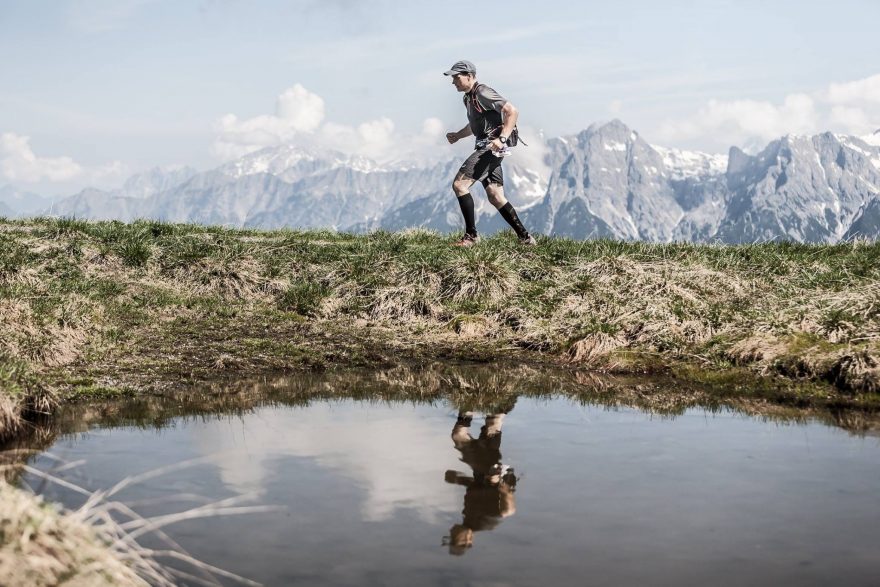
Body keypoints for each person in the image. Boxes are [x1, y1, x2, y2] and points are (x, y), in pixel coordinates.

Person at [444, 60, 537, 247]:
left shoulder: (482, 92)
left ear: (469, 76)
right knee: (495, 195)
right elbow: (475, 124)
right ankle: (526, 239)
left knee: (460, 185)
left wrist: (502, 139)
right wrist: (458, 136)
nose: (453, 81)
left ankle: (471, 237)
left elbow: (512, 111)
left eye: (457, 77)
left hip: (491, 147)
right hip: (486, 147)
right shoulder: (468, 98)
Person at [443, 408, 518, 555]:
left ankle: (472, 408)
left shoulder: (469, 517)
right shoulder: (485, 523)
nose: (450, 532)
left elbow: (475, 487)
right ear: (467, 539)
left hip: (481, 472)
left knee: (460, 435)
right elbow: (508, 510)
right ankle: (494, 405)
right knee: (488, 427)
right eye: (454, 538)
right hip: (494, 473)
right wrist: (502, 486)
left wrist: (458, 479)